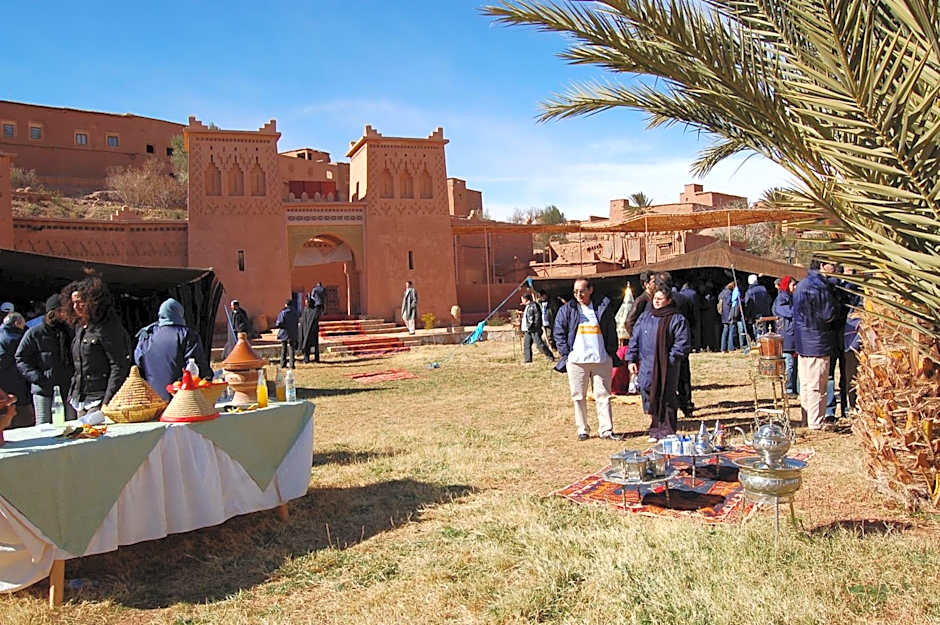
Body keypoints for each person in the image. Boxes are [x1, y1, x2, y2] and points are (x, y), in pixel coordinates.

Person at [553, 277, 623, 441]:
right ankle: (582, 429)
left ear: (590, 290)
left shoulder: (602, 308)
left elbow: (611, 330)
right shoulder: (567, 309)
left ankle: (606, 430)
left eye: (582, 291)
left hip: (601, 359)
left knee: (603, 396)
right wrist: (567, 354)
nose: (579, 294)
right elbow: (558, 332)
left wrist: (610, 353)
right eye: (576, 291)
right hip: (577, 361)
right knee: (578, 396)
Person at [626, 277, 691, 442]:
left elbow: (682, 343)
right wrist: (631, 359)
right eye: (655, 299)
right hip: (647, 363)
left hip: (667, 366)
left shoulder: (676, 319)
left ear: (668, 300)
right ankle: (655, 428)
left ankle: (667, 430)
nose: (656, 302)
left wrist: (670, 359)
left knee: (667, 396)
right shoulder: (645, 317)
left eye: (660, 299)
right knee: (650, 393)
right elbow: (635, 339)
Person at [65, 276, 132, 416]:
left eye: (80, 302)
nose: (76, 307)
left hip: (99, 400)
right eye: (73, 303)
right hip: (79, 400)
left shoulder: (108, 327)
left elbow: (118, 365)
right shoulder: (80, 328)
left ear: (92, 302)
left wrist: (107, 402)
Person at [134, 298, 211, 401]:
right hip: (181, 400)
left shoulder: (147, 335)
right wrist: (209, 378)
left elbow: (138, 363)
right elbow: (196, 366)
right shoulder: (187, 335)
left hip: (153, 401)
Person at [15, 294, 76, 423]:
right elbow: (21, 358)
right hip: (43, 389)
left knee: (72, 425)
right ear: (51, 312)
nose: (64, 314)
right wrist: (37, 377)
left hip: (68, 388)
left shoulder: (70, 332)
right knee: (44, 426)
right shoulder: (34, 333)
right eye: (60, 311)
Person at [793, 259, 838, 430]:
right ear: (822, 265)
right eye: (832, 264)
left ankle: (807, 420)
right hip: (817, 341)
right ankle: (816, 423)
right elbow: (828, 314)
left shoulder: (802, 284)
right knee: (817, 385)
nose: (835, 268)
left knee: (805, 384)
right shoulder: (820, 286)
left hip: (803, 341)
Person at [0, 313, 35, 428]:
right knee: (25, 425)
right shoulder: (18, 339)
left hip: (3, 391)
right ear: (17, 324)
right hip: (17, 388)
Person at [772, 276, 799, 396]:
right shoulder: (782, 298)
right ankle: (788, 389)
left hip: (794, 336)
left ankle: (795, 388)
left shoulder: (793, 298)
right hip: (787, 335)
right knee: (789, 364)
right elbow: (786, 311)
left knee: (795, 365)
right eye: (793, 285)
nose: (795, 287)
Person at [521, 292, 554, 363]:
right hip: (528, 329)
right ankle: (528, 360)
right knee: (526, 345)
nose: (522, 301)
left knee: (539, 344)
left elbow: (537, 317)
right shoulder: (528, 306)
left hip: (534, 329)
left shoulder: (534, 305)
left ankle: (550, 356)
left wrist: (535, 327)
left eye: (522, 299)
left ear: (526, 299)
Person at [624, 272, 655, 337]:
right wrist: (637, 337)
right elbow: (629, 322)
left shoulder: (654, 298)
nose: (656, 284)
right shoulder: (641, 300)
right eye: (653, 282)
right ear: (646, 284)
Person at [744, 274, 773, 338]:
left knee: (758, 332)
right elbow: (769, 299)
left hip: (755, 314)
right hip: (765, 312)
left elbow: (748, 304)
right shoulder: (763, 289)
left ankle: (759, 345)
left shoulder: (749, 292)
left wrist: (747, 315)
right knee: (764, 331)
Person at [298, 291, 323, 363]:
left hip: (313, 331)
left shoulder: (314, 311)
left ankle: (316, 358)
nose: (306, 303)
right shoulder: (305, 310)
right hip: (306, 331)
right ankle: (306, 358)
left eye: (307, 302)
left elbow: (316, 318)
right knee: (306, 345)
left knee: (315, 345)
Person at [275, 298, 299, 369]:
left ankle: (283, 363)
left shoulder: (283, 312)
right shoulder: (295, 312)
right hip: (293, 332)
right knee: (292, 349)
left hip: (284, 332)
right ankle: (292, 364)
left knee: (284, 348)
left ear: (286, 304)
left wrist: (284, 326)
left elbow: (279, 323)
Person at [718, 282, 738, 352]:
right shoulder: (729, 293)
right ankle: (730, 347)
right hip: (729, 313)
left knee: (725, 330)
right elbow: (730, 302)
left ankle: (723, 348)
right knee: (731, 330)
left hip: (723, 314)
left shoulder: (722, 292)